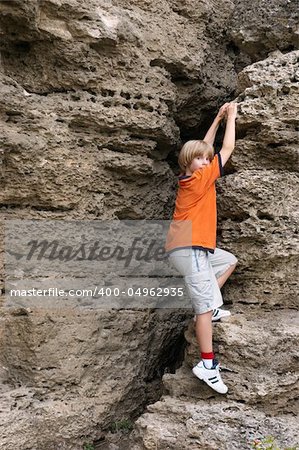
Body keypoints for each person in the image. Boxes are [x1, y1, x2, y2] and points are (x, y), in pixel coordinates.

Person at [165, 102, 238, 394]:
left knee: (229, 260)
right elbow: (226, 149)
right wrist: (232, 118)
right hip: (190, 248)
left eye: (207, 161)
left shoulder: (192, 175)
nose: (207, 163)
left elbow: (205, 150)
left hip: (191, 249)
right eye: (200, 161)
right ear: (187, 162)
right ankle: (207, 364)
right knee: (204, 311)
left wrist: (217, 119)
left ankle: (210, 302)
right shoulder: (199, 180)